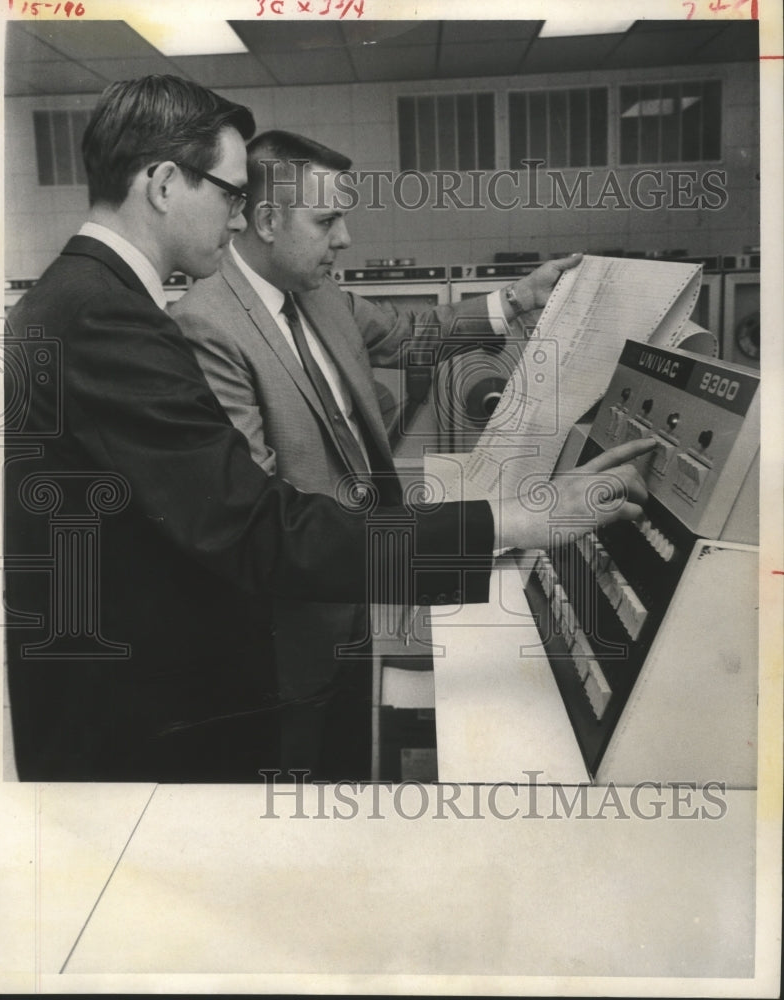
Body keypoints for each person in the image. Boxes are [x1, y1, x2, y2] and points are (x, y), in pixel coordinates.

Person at [4, 75, 653, 783]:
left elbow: (413, 337)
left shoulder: (94, 300)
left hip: (269, 628)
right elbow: (255, 528)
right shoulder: (118, 318)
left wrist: (514, 300)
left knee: (331, 782)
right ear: (163, 183)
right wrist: (512, 520)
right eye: (227, 193)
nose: (233, 213)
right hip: (168, 694)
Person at [171, 129, 588, 780]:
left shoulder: (318, 293)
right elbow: (257, 513)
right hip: (294, 626)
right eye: (327, 220)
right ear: (266, 220)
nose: (344, 239)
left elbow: (415, 335)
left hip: (361, 590)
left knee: (350, 760)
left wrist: (519, 299)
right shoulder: (206, 325)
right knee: (299, 781)